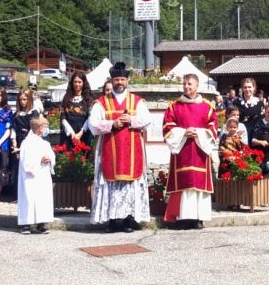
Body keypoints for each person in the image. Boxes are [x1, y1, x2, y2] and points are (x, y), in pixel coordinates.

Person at [89, 62, 153, 233]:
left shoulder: (137, 101)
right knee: (110, 184)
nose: (119, 82)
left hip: (132, 149)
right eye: (116, 79)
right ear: (112, 80)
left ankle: (128, 220)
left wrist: (131, 120)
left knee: (130, 185)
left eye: (122, 79)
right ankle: (111, 220)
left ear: (127, 81)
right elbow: (93, 125)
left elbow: (147, 120)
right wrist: (112, 123)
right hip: (110, 149)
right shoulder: (101, 103)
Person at [163, 74, 217, 229]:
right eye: (185, 84)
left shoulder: (207, 107)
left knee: (198, 183)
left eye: (190, 84)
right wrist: (183, 133)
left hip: (199, 151)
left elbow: (213, 126)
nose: (186, 87)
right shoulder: (174, 106)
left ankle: (198, 218)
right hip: (183, 151)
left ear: (197, 86)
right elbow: (167, 126)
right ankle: (182, 218)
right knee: (184, 182)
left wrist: (199, 133)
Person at [17, 116, 55, 235]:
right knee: (29, 198)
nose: (46, 130)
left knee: (42, 198)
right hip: (31, 176)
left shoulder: (45, 143)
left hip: (43, 175)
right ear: (40, 128)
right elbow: (25, 160)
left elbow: (52, 156)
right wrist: (39, 160)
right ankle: (26, 224)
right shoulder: (27, 143)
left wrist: (50, 159)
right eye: (45, 127)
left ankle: (41, 223)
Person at [10, 89, 40, 200]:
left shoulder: (33, 113)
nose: (23, 102)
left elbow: (34, 129)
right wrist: (14, 145)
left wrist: (24, 146)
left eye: (25, 99)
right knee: (17, 168)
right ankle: (17, 194)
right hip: (18, 141)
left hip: (29, 142)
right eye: (20, 100)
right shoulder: (16, 114)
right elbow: (12, 130)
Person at [60, 71, 93, 150]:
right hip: (69, 135)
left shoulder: (88, 99)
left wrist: (80, 133)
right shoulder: (66, 98)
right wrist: (72, 134)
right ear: (72, 83)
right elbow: (63, 117)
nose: (77, 84)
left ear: (83, 83)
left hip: (84, 134)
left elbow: (90, 117)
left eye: (79, 82)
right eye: (75, 82)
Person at [234, 77, 264, 144]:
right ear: (242, 89)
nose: (247, 89)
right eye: (245, 87)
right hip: (240, 134)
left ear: (254, 88)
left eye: (249, 87)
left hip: (256, 136)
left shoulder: (260, 103)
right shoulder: (236, 103)